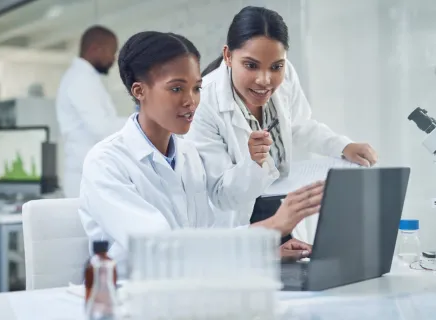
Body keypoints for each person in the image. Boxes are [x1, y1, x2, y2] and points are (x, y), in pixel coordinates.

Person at [79, 30, 324, 275]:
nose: (191, 101)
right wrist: (273, 225)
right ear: (139, 91)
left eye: (197, 88)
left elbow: (207, 239)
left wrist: (266, 253)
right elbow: (161, 248)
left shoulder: (188, 155)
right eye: (176, 89)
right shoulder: (106, 163)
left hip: (189, 288)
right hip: (132, 299)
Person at [185, 6, 378, 241]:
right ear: (228, 56)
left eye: (276, 66)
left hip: (282, 209)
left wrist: (342, 146)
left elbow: (299, 124)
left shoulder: (286, 74)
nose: (265, 80)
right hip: (240, 224)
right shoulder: (203, 102)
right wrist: (253, 163)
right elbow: (221, 195)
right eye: (251, 65)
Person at [56, 25, 126, 198]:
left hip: (89, 173)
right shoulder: (80, 80)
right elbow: (102, 128)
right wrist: (144, 120)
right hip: (83, 177)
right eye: (112, 52)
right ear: (95, 49)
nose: (113, 59)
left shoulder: (85, 78)